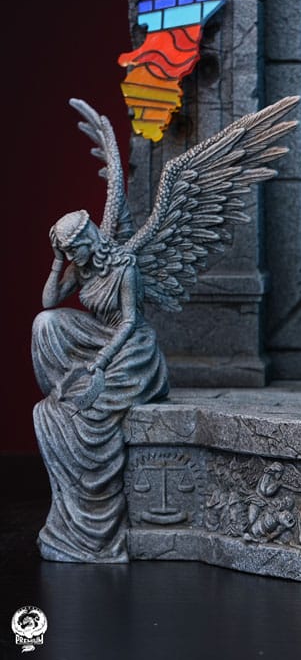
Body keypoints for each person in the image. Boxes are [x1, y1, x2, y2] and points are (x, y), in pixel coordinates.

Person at [31, 210, 169, 562]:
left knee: (92, 411)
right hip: (98, 336)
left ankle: (95, 505)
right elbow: (49, 301)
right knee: (45, 322)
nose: (72, 257)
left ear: (88, 240)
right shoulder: (79, 267)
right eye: (67, 252)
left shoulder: (125, 267)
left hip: (131, 347)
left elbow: (130, 321)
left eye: (72, 249)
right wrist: (57, 261)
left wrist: (103, 360)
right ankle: (64, 386)